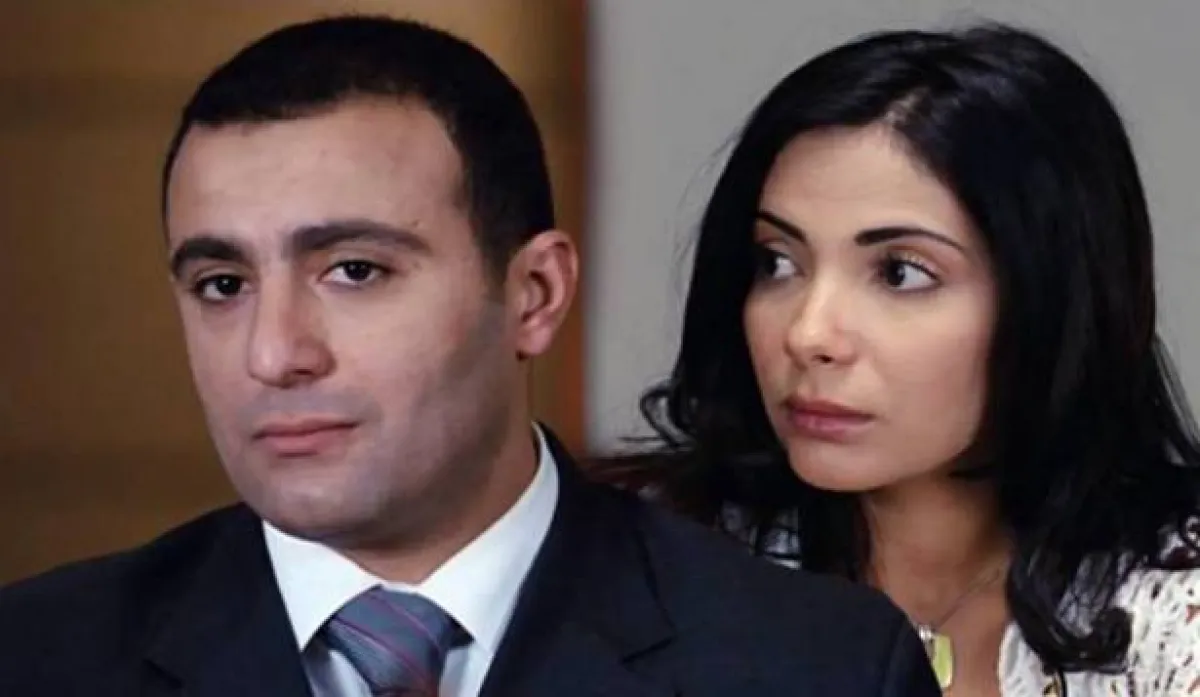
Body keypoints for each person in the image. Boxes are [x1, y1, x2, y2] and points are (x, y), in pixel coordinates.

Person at [0, 15, 939, 697]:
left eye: (355, 270)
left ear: (534, 294)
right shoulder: (38, 656)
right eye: (221, 284)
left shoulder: (813, 665)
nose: (274, 353)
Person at [606, 21, 1200, 696]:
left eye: (900, 273)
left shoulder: (1174, 620)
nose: (808, 333)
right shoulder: (644, 562)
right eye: (778, 262)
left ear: (1054, 298)